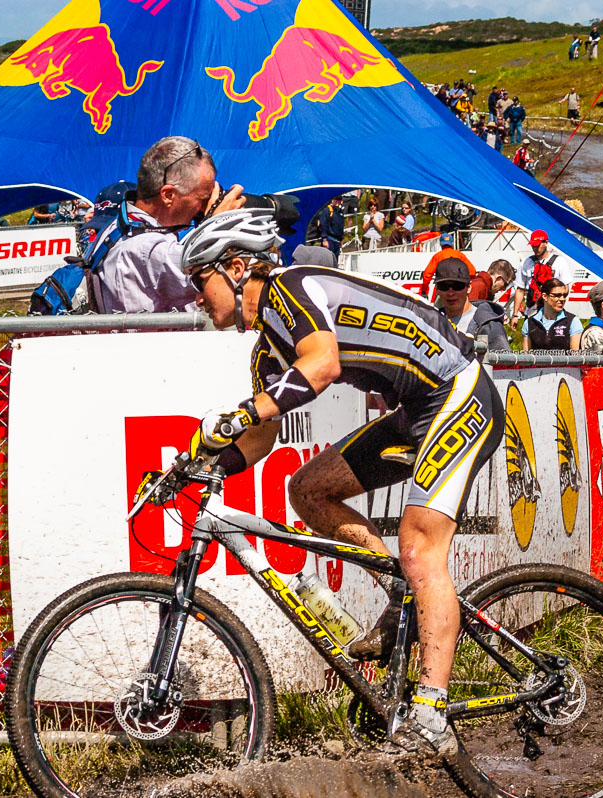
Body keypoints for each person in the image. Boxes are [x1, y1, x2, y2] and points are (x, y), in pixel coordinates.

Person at [180, 208, 503, 758]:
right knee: (307, 490)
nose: (196, 298)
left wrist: (239, 413)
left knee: (421, 550)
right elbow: (261, 439)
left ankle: (431, 710)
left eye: (199, 280)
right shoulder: (268, 348)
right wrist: (200, 466)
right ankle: (402, 599)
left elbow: (323, 363)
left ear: (235, 267)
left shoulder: (290, 288)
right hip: (418, 406)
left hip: (458, 391)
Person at [94, 137, 244, 314]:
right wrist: (219, 222)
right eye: (203, 198)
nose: (206, 207)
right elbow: (224, 277)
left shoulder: (119, 227)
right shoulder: (148, 249)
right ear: (168, 195)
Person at [432, 258, 510, 352]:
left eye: (458, 286)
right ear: (437, 289)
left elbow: (503, 364)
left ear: (469, 287)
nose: (451, 293)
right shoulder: (429, 324)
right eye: (443, 286)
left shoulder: (489, 326)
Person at [512, 229, 570, 324]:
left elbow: (566, 288)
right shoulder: (526, 263)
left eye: (538, 245)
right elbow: (520, 290)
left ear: (546, 243)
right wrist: (515, 315)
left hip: (554, 313)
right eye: (533, 246)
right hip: (531, 312)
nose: (535, 248)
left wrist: (556, 302)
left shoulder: (559, 262)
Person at [522, 277, 582, 350]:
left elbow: (576, 357)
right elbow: (525, 358)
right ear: (545, 296)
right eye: (557, 295)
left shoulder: (573, 321)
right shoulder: (529, 323)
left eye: (564, 295)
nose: (562, 299)